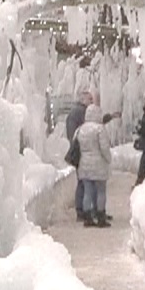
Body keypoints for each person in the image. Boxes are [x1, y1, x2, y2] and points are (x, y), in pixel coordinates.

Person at [74, 111, 116, 227]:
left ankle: (87, 217)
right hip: (99, 165)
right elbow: (104, 147)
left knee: (88, 191)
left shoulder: (80, 129)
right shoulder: (99, 129)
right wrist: (108, 159)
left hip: (84, 164)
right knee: (101, 191)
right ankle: (101, 217)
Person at [66, 93, 96, 223]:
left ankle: (83, 210)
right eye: (90, 99)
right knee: (85, 183)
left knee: (83, 182)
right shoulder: (81, 112)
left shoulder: (74, 112)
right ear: (83, 100)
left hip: (78, 152)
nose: (92, 102)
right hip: (82, 153)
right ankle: (84, 210)